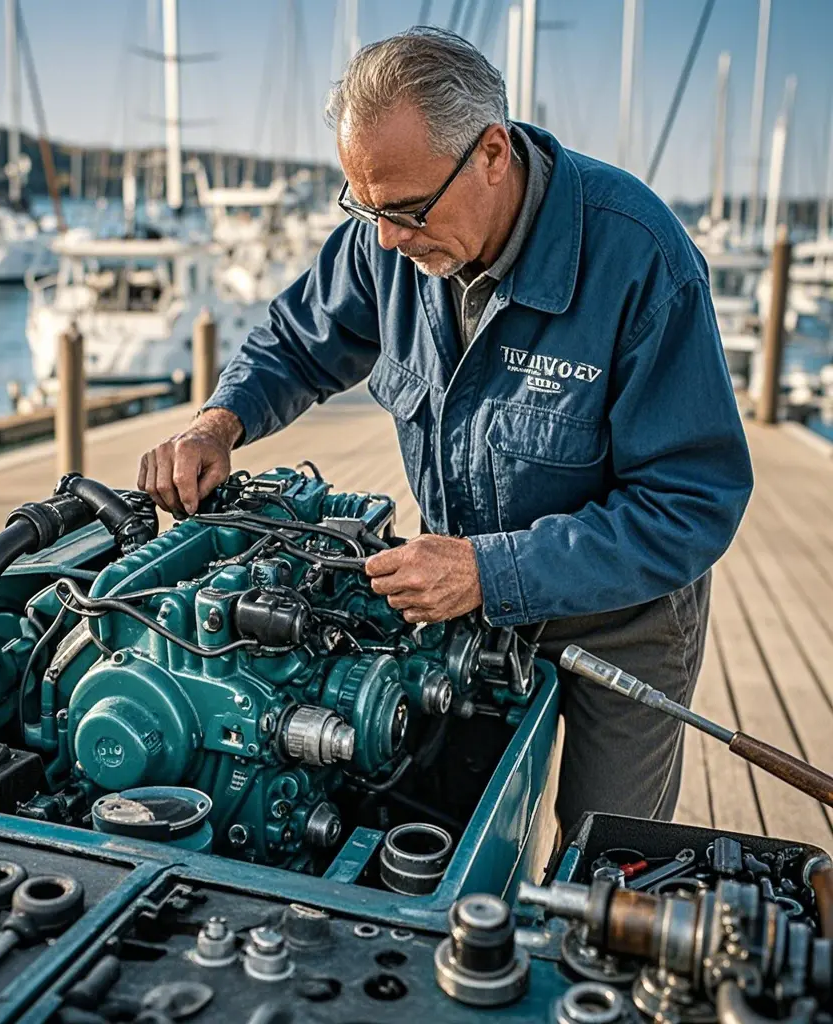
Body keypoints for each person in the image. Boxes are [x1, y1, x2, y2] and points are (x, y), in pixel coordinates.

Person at [137, 27, 753, 834]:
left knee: (610, 856)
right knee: (436, 820)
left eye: (406, 210)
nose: (386, 238)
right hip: (457, 593)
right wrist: (220, 421)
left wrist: (491, 571)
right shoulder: (390, 237)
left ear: (493, 152)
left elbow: (690, 503)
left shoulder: (641, 258)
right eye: (364, 206)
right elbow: (297, 340)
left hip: (621, 616)